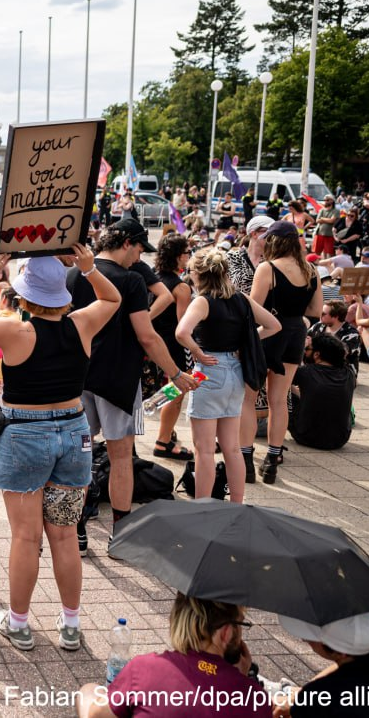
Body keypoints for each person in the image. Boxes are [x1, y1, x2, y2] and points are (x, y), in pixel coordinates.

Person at [0, 247, 119, 652]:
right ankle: (71, 625)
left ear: (25, 297)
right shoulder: (82, 323)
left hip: (26, 434)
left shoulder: (16, 332)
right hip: (74, 433)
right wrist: (89, 269)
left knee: (26, 537)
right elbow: (113, 299)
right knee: (65, 534)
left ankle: (20, 623)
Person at [71, 219, 199, 547]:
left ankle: (77, 531)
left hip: (78, 377)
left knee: (80, 456)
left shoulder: (74, 274)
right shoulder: (131, 280)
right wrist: (176, 373)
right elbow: (147, 336)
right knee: (121, 458)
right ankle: (121, 532)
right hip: (119, 379)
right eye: (140, 249)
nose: (140, 257)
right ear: (127, 242)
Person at [175, 248, 281, 502]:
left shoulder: (202, 301)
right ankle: (236, 505)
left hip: (210, 371)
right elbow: (274, 325)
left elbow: (181, 332)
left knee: (204, 450)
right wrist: (247, 343)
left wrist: (197, 352)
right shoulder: (241, 298)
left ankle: (202, 505)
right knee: (232, 448)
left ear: (199, 274)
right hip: (236, 371)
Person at [75, 593, 270, 718]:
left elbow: (95, 714)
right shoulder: (256, 700)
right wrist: (241, 680)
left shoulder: (145, 669)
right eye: (240, 624)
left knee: (89, 692)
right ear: (225, 632)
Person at [245, 221, 322, 485]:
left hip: (268, 333)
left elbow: (254, 308)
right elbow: (316, 310)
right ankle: (272, 459)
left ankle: (246, 459)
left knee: (248, 399)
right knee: (279, 399)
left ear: (274, 241)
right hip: (295, 334)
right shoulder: (311, 270)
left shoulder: (267, 268)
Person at [151, 234, 195, 461]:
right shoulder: (181, 287)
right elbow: (183, 326)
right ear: (178, 257)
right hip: (174, 346)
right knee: (176, 392)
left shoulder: (152, 278)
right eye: (187, 253)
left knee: (168, 390)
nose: (189, 256)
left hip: (151, 342)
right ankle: (163, 440)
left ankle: (167, 429)